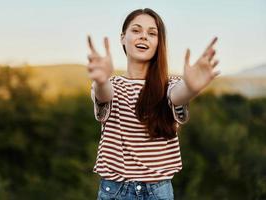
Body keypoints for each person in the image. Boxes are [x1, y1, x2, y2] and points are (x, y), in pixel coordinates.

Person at [86, 8, 220, 200]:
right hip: (115, 192)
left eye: (152, 33)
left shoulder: (169, 85)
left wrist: (191, 87)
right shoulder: (111, 85)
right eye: (136, 31)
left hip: (158, 193)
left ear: (159, 43)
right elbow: (104, 94)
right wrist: (101, 80)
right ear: (123, 38)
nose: (143, 37)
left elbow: (178, 95)